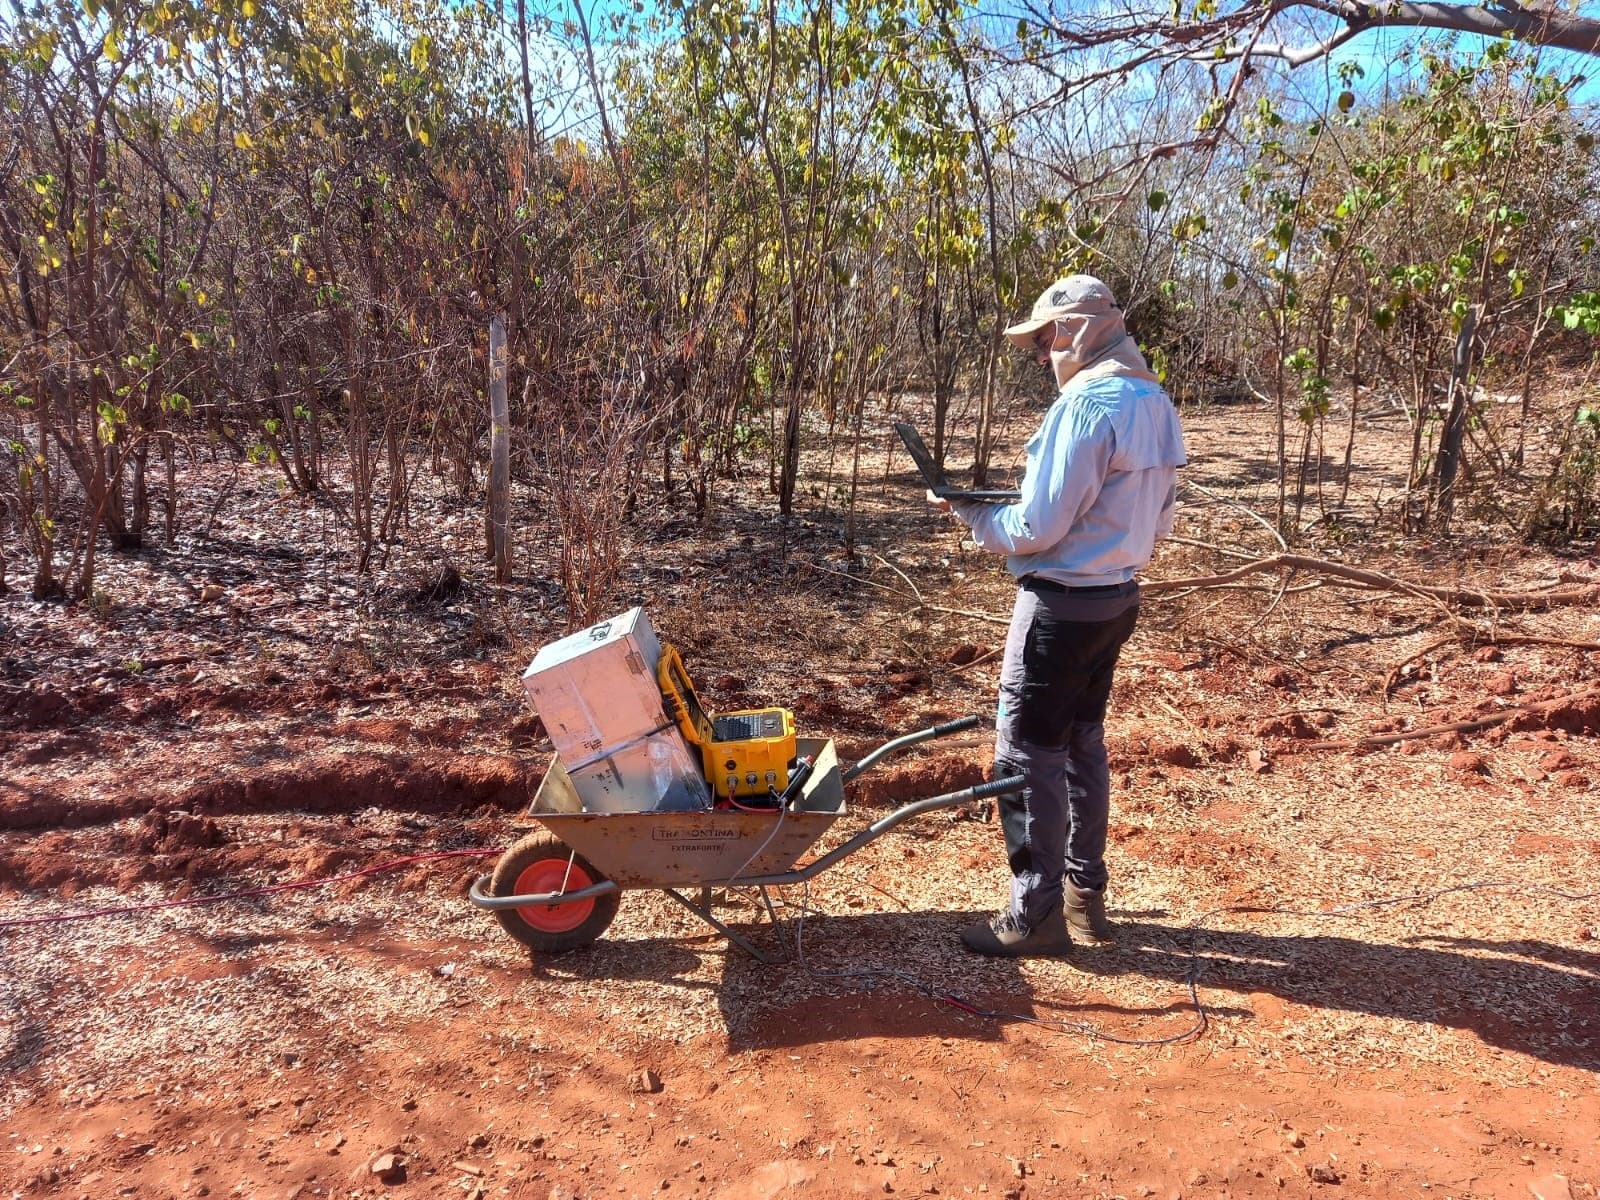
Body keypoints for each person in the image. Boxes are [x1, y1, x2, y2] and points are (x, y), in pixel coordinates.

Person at [928, 275, 1186, 957]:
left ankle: (1035, 913)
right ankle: (1083, 899)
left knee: (1025, 754)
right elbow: (1158, 520)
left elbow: (1037, 526)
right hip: (1115, 599)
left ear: (1074, 331)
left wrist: (971, 512)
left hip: (1060, 607)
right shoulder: (1155, 401)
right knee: (1080, 745)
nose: (1044, 354)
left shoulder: (1087, 405)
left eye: (1046, 339)